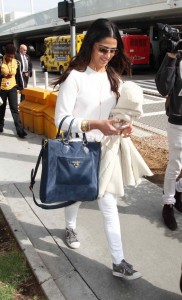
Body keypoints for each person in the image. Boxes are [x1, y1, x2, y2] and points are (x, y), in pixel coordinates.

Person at [54, 18, 149, 280]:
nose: (107, 56)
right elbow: (60, 120)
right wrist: (94, 124)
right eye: (102, 49)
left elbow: (115, 116)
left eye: (112, 50)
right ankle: (70, 226)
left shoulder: (112, 78)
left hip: (106, 151)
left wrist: (123, 128)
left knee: (109, 205)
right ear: (90, 46)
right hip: (77, 149)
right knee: (76, 195)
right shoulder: (74, 77)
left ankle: (118, 262)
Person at [155, 51, 182, 230]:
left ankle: (178, 192)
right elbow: (164, 88)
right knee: (176, 165)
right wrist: (171, 56)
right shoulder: (176, 56)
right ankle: (168, 204)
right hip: (179, 122)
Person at [0, 44, 27, 138]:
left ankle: (20, 131)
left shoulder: (17, 62)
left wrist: (22, 88)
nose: (10, 58)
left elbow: (19, 76)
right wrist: (3, 76)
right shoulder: (0, 61)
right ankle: (0, 126)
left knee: (14, 109)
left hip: (12, 88)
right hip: (1, 89)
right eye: (8, 56)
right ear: (5, 53)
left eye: (12, 56)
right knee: (1, 108)